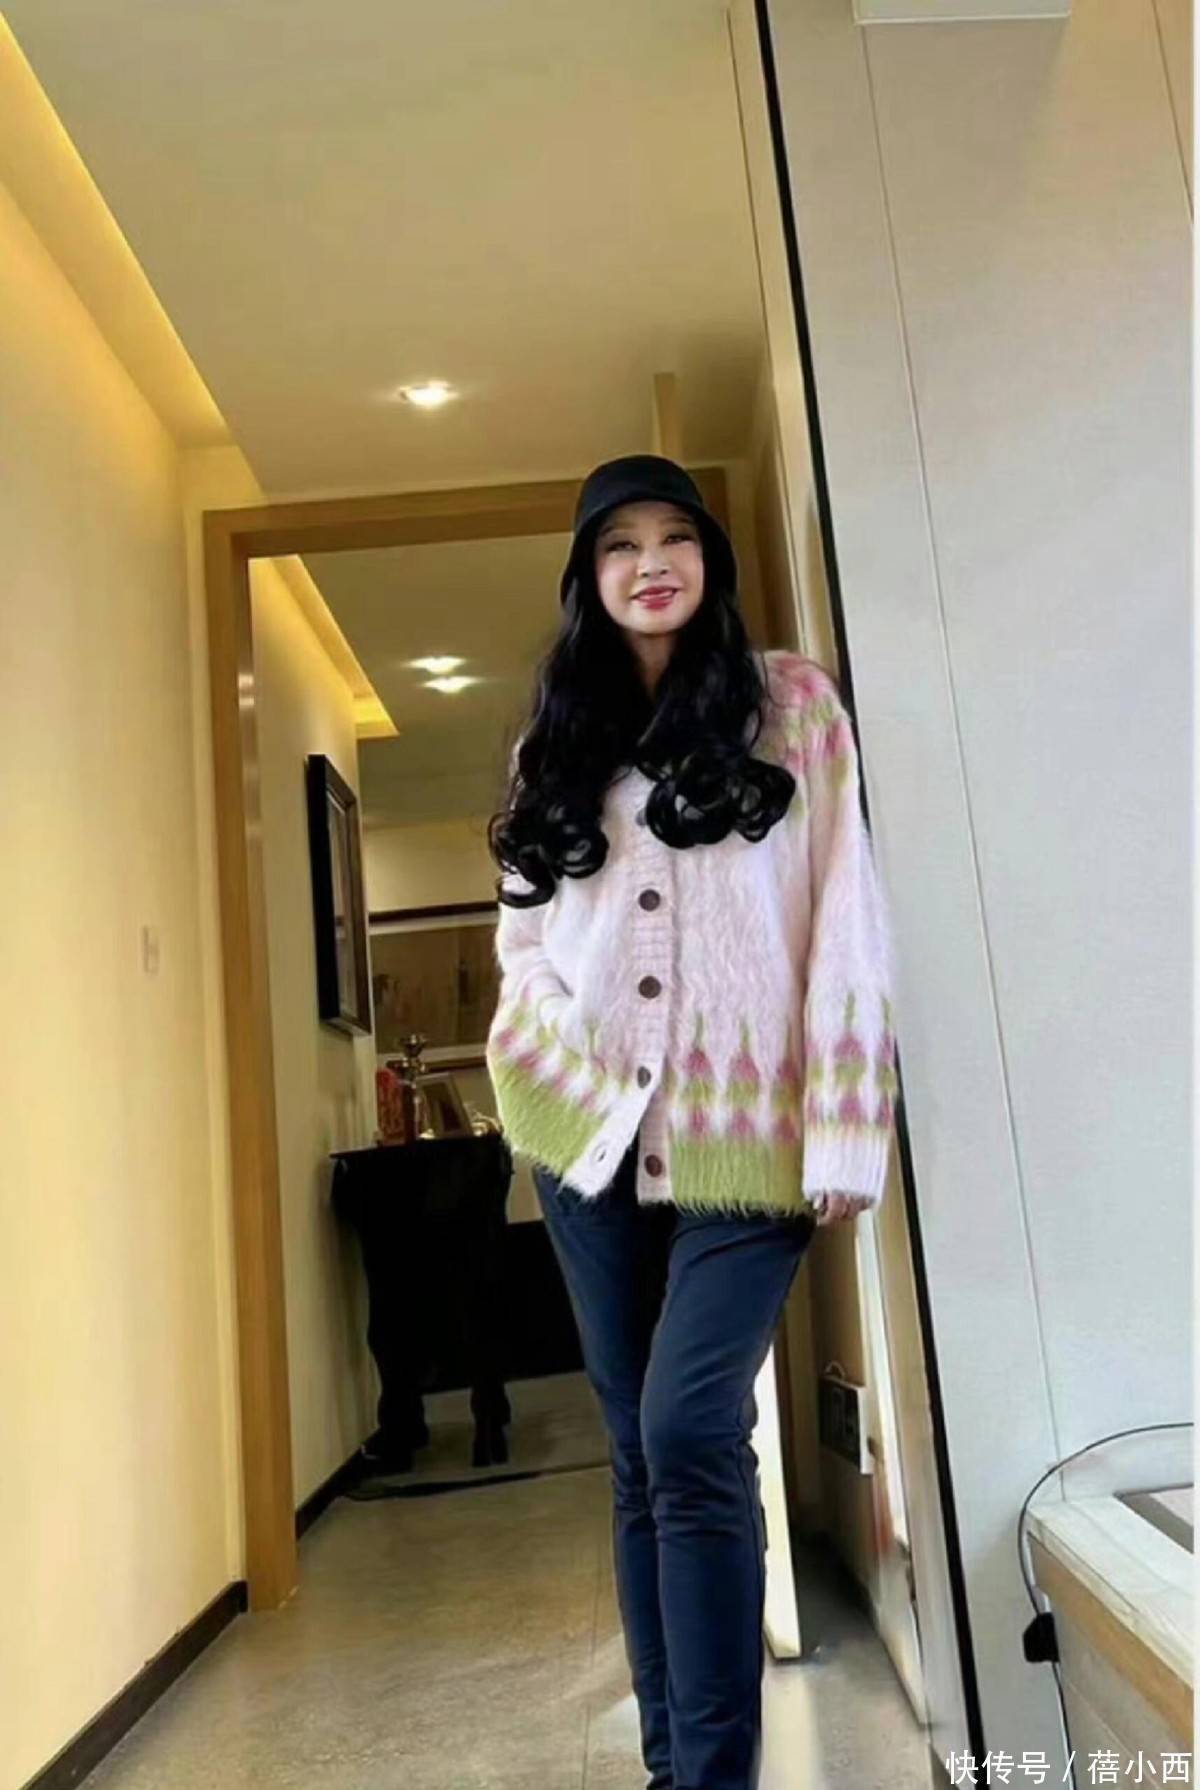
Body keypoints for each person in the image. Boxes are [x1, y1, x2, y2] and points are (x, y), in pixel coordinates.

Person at [485, 454, 898, 1790]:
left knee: (686, 1431)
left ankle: (712, 1772)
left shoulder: (792, 706)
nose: (650, 562)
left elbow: (847, 913)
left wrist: (845, 1125)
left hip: (746, 1138)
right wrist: (545, 1057)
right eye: (620, 544)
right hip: (583, 1138)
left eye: (675, 537)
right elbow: (526, 945)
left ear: (709, 558)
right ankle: (679, 1767)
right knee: (635, 1455)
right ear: (587, 577)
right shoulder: (553, 743)